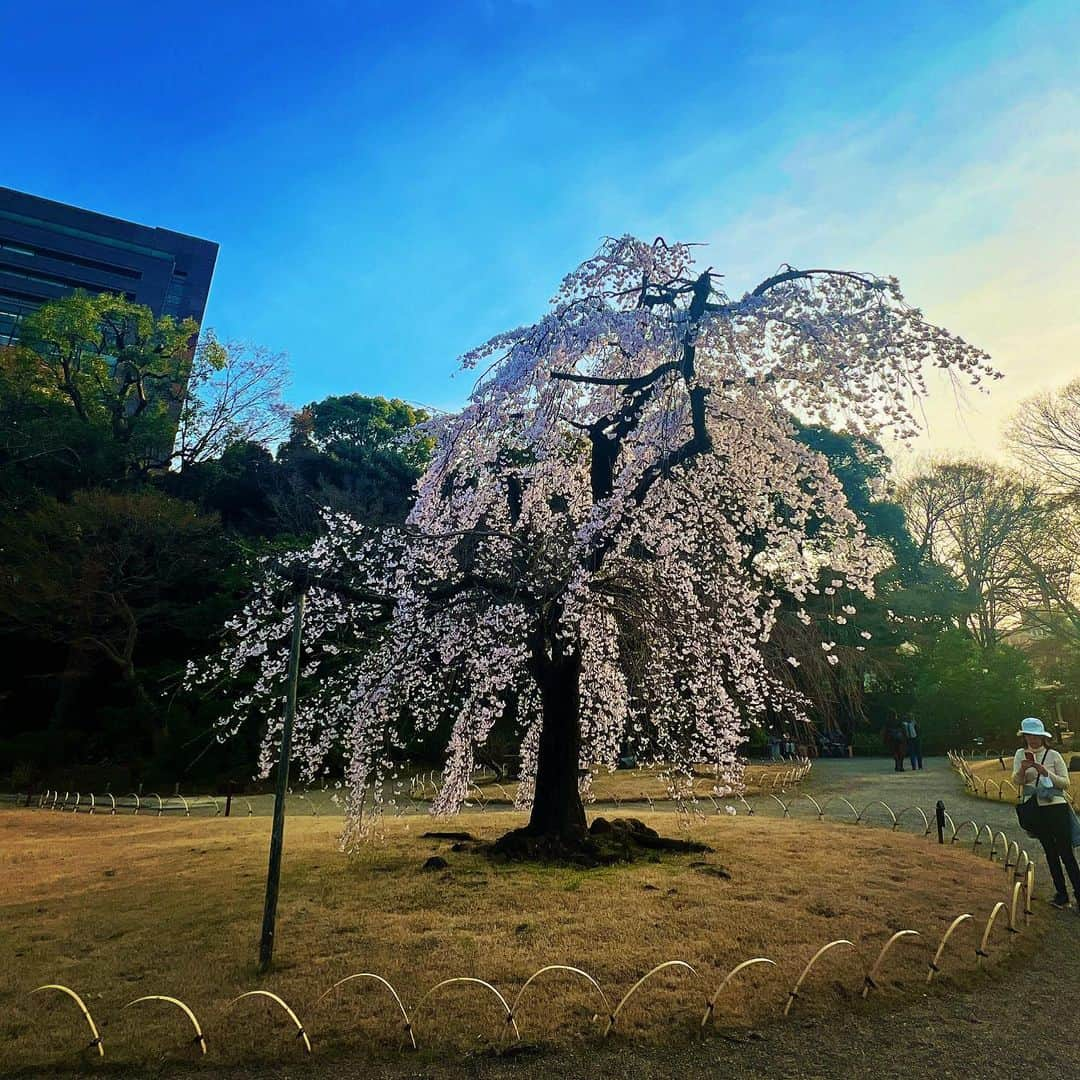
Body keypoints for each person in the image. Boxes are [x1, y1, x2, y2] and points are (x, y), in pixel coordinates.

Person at [1012, 717, 1080, 911]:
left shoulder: (1053, 755)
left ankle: (1079, 893)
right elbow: (1017, 781)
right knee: (1050, 852)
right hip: (1036, 808)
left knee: (1066, 852)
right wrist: (1024, 770)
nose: (1033, 740)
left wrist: (1045, 772)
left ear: (1043, 737)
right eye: (1029, 736)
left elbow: (1065, 783)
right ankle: (1061, 894)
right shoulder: (1020, 754)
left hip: (1056, 806)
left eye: (1036, 736)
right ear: (1024, 736)